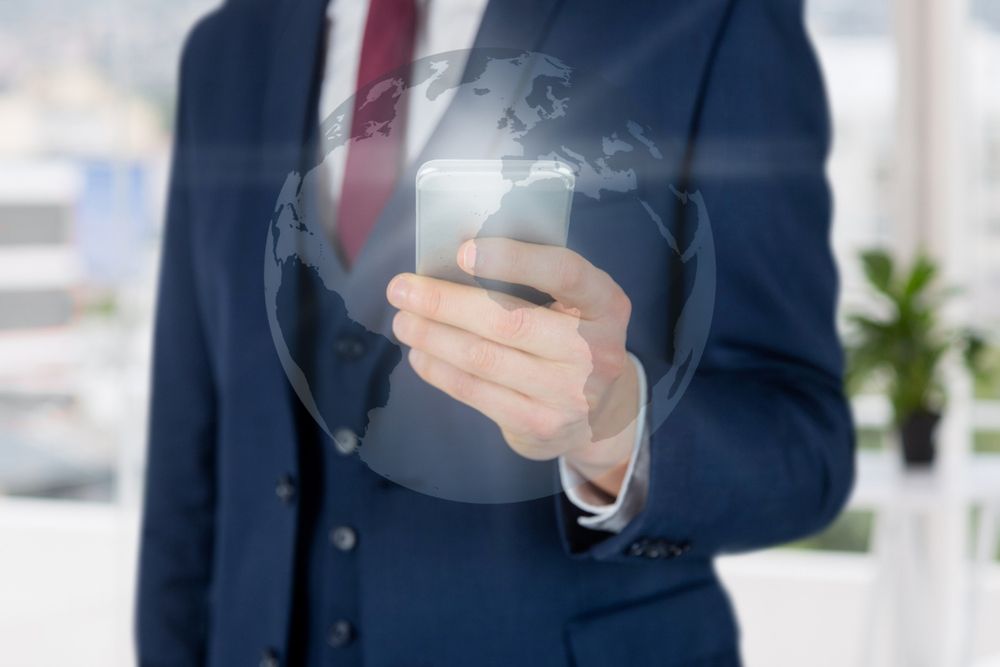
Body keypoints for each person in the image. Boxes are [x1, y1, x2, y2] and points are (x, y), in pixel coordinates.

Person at [136, 0, 855, 665]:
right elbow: (185, 458)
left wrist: (615, 427)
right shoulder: (226, 52)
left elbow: (806, 445)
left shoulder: (709, 14)